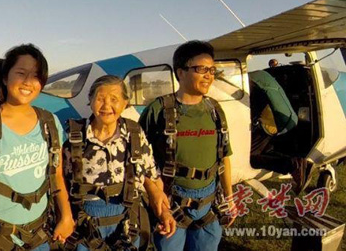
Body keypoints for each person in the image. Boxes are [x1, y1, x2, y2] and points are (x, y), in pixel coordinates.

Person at [0, 44, 74, 251]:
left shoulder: (50, 123)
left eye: (36, 76)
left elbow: (56, 175)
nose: (28, 82)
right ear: (5, 77)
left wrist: (66, 214)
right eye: (21, 73)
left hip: (40, 234)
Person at [139, 40, 234, 251]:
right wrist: (155, 197)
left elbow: (224, 157)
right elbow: (139, 160)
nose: (209, 75)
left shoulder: (215, 110)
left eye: (212, 69)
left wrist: (229, 197)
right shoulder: (159, 110)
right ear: (180, 72)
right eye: (201, 69)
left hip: (209, 204)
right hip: (171, 203)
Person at [63, 75, 176, 251]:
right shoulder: (74, 137)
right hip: (85, 222)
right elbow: (59, 179)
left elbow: (151, 175)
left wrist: (163, 213)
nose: (107, 105)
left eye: (114, 99)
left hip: (127, 219)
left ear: (125, 103)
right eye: (100, 98)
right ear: (90, 101)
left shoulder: (134, 133)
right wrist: (65, 217)